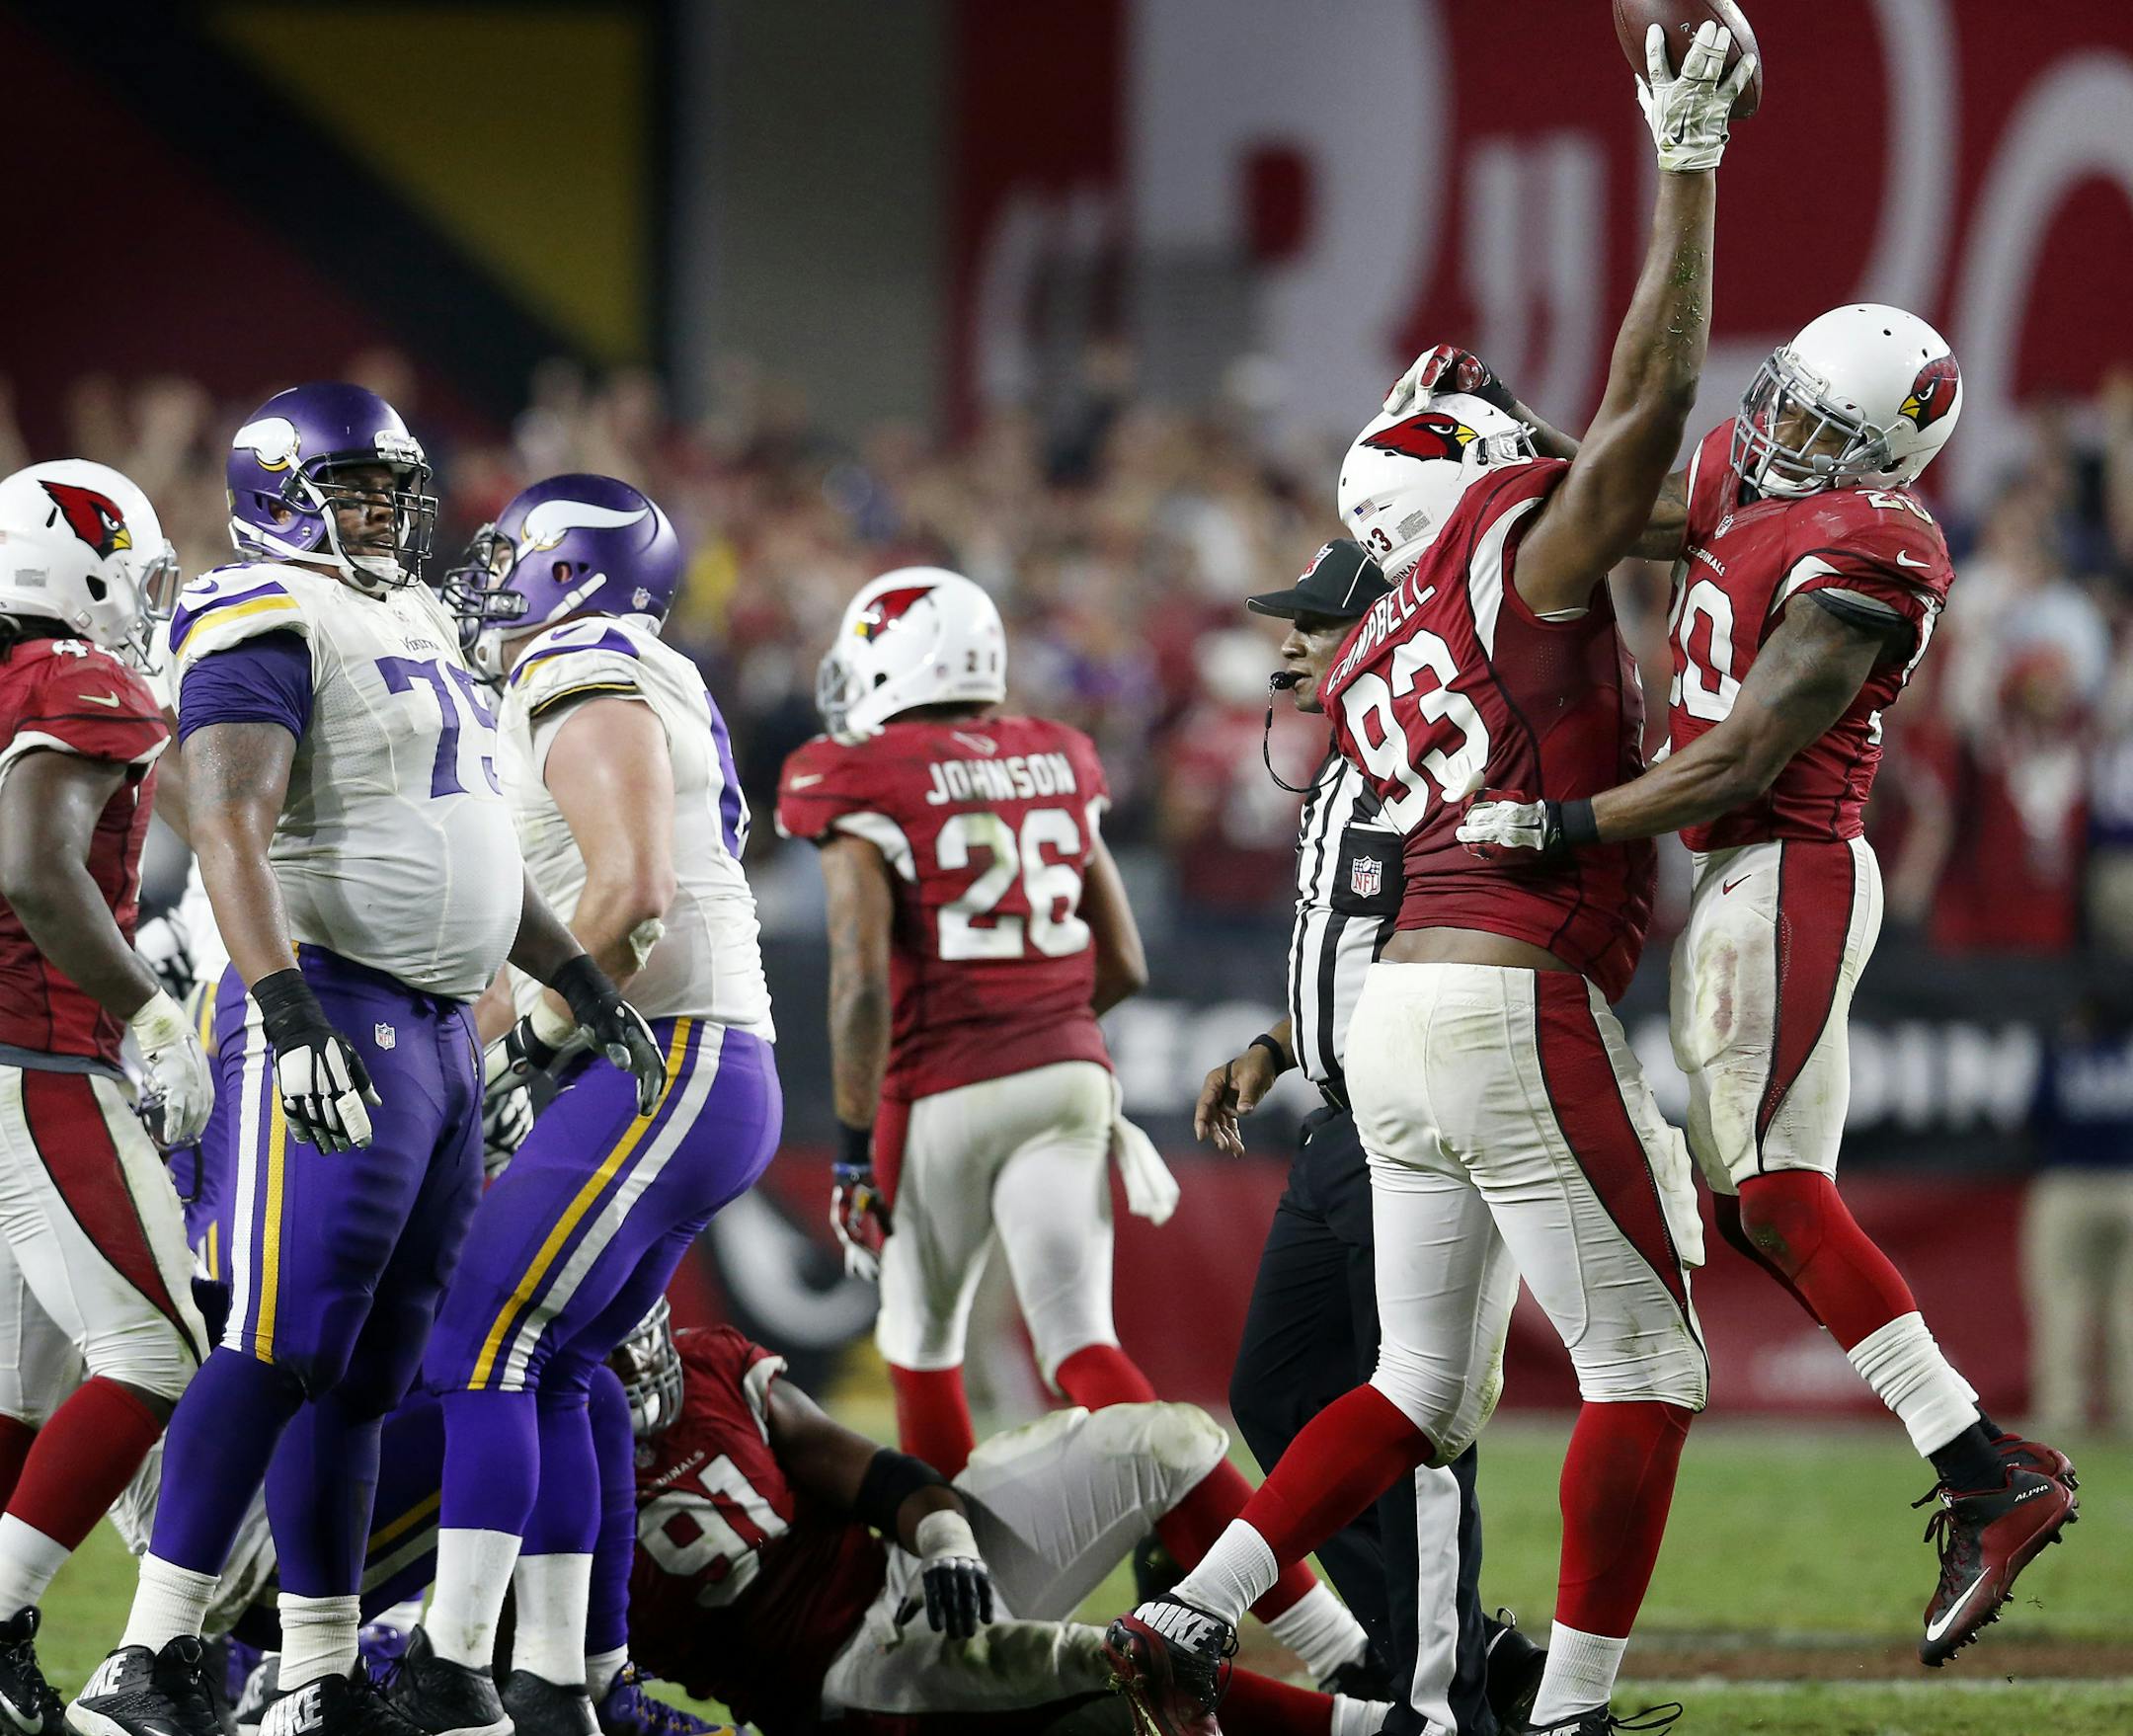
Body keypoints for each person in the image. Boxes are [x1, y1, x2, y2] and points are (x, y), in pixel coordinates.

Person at [1108, 24, 1752, 1736]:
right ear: (1479, 480)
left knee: (1411, 1378)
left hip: (1391, 1025)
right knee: (1650, 1362)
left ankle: (1193, 1607)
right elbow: (1646, 428)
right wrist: (1685, 160)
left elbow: (1623, 497)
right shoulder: (1506, 549)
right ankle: (1570, 1713)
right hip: (1502, 987)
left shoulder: (1384, 616)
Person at [1457, 298, 2082, 1665]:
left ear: (1890, 459)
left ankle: (1992, 1472)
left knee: (1777, 1196)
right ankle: (1985, 1464)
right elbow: (1620, 502)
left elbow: (1741, 759)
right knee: (1755, 1208)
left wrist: (1562, 822)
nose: (1778, 429)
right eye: (1783, 396)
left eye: (1819, 422)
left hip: (1786, 865)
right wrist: (1507, 440)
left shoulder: (1874, 546)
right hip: (1735, 878)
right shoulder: (1763, 471)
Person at [68, 384, 666, 1736]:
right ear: (280, 493)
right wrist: (282, 1013)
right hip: (334, 1006)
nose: (384, 511)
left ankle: (321, 1666)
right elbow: (223, 817)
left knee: (365, 1376)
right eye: (351, 488)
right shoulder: (257, 604)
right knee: (277, 1339)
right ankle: (151, 1655)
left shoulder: (412, 616)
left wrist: (574, 975)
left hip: (446, 1030)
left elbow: (469, 842)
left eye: (393, 487)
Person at [774, 569, 1376, 1694]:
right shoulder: (1057, 751)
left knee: (922, 1345)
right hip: (1067, 1073)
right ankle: (1333, 1642)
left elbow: (860, 975)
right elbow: (1128, 961)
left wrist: (857, 1143)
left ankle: (962, 1618)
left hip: (938, 1082)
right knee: (1086, 1351)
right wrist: (1038, 1033)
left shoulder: (850, 773)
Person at [111, 1305, 1389, 1736]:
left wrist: (943, 1533)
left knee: (1166, 1435)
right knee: (1104, 1682)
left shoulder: (715, 1361)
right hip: (846, 1678)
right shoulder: (526, 1461)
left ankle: (1333, 1649)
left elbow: (863, 1464)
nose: (641, 1364)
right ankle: (1386, 1720)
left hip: (919, 1590)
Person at [390, 476, 783, 1736]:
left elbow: (628, 893)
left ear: (573, 569)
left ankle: (453, 1666)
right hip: (682, 1054)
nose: (492, 569)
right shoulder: (614, 662)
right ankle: (561, 1681)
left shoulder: (582, 668)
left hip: (667, 1047)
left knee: (478, 1335)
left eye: (516, 552)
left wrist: (503, 1042)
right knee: (558, 1365)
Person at [1195, 538, 1542, 1736]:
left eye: (1318, 623)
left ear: (1389, 637)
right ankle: (1444, 1646)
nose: (1289, 641)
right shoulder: (1347, 769)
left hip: (1419, 1123)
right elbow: (1350, 958)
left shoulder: (1433, 771)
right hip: (1340, 1121)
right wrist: (1271, 1047)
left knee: (1423, 1417)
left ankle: (1439, 1706)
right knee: (1280, 1396)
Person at [0, 460, 213, 1731]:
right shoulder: (72, 681)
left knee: (20, 1393)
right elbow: (34, 867)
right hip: (37, 1057)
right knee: (160, 1352)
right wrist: (145, 1008)